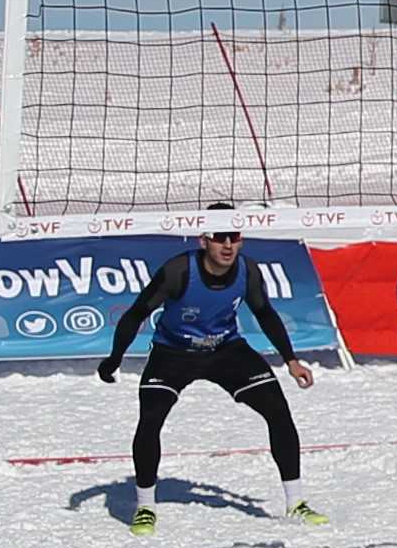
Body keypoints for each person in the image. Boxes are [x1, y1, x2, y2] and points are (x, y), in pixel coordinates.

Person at [100, 207, 319, 531]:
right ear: (205, 240)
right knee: (151, 418)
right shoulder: (179, 271)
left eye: (234, 237)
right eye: (220, 238)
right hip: (173, 353)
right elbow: (136, 313)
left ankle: (296, 502)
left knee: (278, 410)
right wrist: (115, 357)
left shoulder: (247, 270)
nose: (227, 246)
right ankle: (145, 507)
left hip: (226, 350)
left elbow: (265, 313)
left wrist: (291, 360)